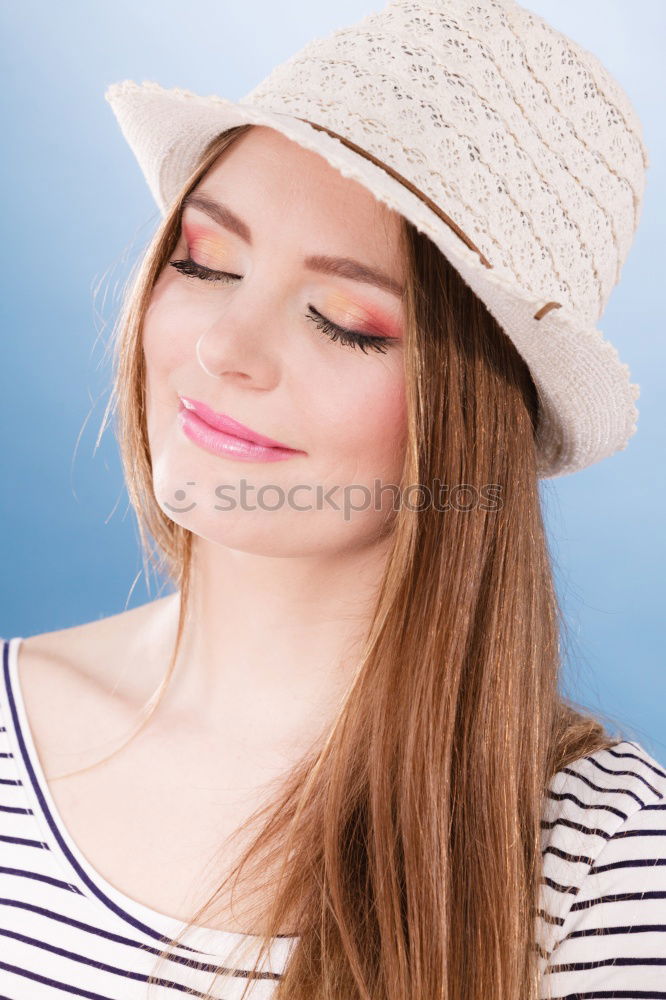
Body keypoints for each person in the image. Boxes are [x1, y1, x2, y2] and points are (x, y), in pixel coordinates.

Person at [1, 0, 664, 998]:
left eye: (345, 322)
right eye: (205, 261)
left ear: (468, 419)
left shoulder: (606, 861)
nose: (225, 348)